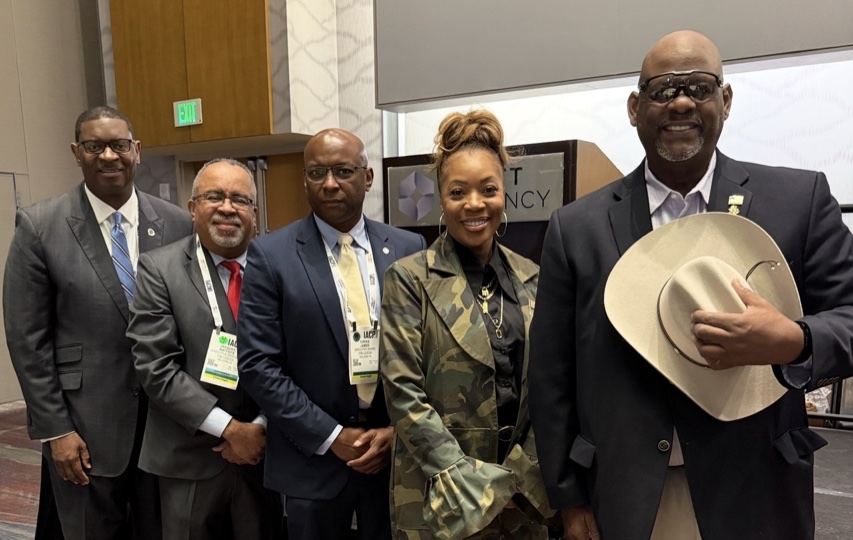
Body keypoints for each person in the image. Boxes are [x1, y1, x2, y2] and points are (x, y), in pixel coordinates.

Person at [528, 30, 853, 540]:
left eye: (699, 87)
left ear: (725, 101)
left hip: (755, 489)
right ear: (635, 108)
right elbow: (550, 376)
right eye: (663, 89)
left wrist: (795, 339)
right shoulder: (576, 227)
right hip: (624, 494)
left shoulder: (799, 200)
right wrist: (568, 498)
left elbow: (849, 316)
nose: (681, 101)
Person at [3, 106, 193, 539]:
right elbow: (27, 341)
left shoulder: (178, 225)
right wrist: (56, 430)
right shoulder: (40, 226)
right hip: (86, 429)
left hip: (166, 428)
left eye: (119, 145)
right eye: (94, 146)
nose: (109, 156)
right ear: (76, 152)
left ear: (137, 151)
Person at [237, 128, 426, 540]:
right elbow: (257, 365)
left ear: (368, 177)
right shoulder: (272, 255)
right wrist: (331, 436)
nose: (329, 183)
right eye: (316, 172)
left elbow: (428, 351)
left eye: (343, 171)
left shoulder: (410, 248)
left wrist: (398, 431)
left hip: (394, 459)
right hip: (312, 463)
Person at [380, 110, 555, 540]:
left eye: (488, 190)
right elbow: (403, 393)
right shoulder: (410, 279)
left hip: (522, 499)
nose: (474, 204)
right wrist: (477, 486)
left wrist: (517, 477)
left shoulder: (533, 276)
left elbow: (553, 385)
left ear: (503, 194)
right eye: (458, 191)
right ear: (442, 198)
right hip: (442, 498)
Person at [127, 158, 283, 540]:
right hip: (190, 458)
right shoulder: (159, 269)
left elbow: (293, 356)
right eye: (214, 196)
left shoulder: (279, 269)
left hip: (264, 458)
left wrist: (259, 428)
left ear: (254, 213)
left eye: (239, 199)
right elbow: (155, 367)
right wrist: (230, 429)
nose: (227, 207)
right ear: (193, 207)